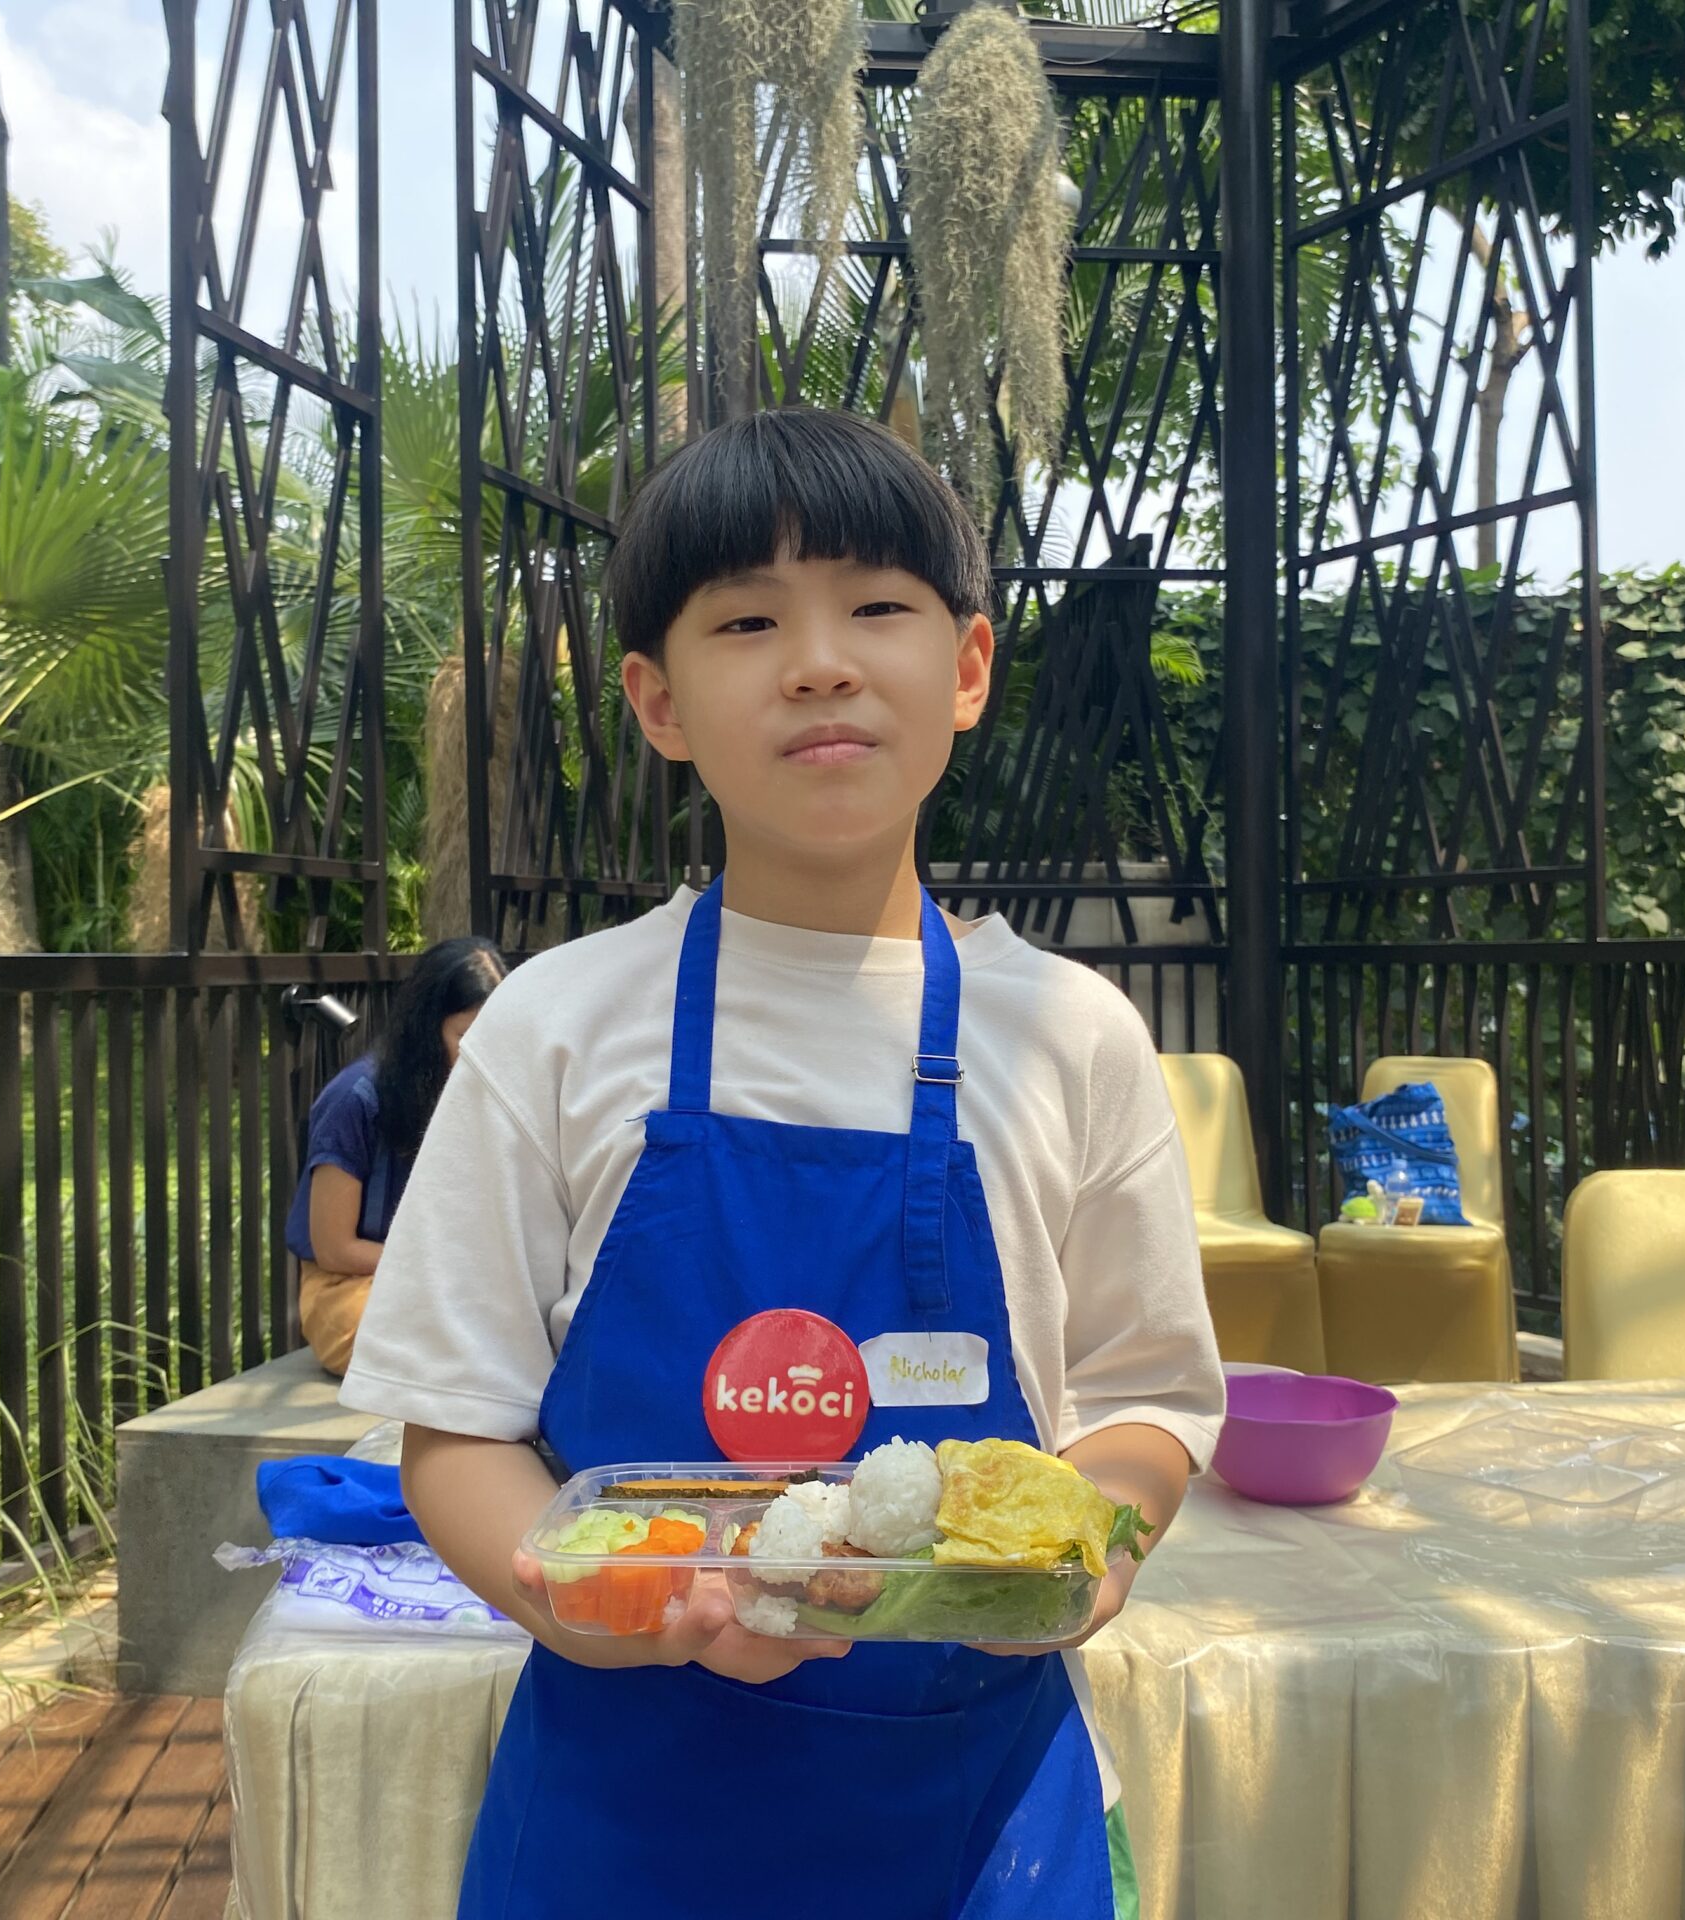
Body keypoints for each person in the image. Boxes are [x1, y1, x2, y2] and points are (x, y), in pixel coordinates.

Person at [339, 408, 1221, 1919]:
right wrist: (604, 1612)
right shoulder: (557, 1025)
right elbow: (458, 1433)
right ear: (658, 700)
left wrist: (1081, 1557)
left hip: (979, 1823)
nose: (818, 663)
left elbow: (1147, 1399)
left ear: (968, 668)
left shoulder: (1072, 1035)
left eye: (876, 607)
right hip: (622, 1814)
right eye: (747, 622)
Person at [287, 936, 506, 1374]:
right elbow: (334, 1250)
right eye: (466, 1038)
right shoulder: (353, 1100)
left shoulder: (486, 1094)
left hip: (451, 1283)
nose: (481, 1056)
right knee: (445, 1338)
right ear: (427, 1029)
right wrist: (440, 1268)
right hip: (351, 1287)